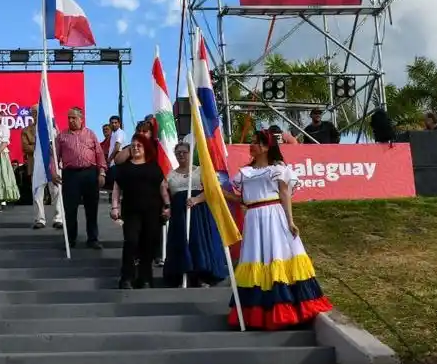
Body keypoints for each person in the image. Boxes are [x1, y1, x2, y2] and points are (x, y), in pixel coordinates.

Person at [224, 130, 333, 330]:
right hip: (254, 218)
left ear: (266, 147)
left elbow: (284, 194)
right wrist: (220, 192)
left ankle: (288, 310)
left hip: (274, 216)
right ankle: (256, 314)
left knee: (278, 256)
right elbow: (242, 199)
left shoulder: (278, 169)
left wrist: (290, 221)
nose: (251, 145)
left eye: (255, 142)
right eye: (251, 142)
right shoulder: (245, 173)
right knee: (256, 260)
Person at [163, 142, 230, 288]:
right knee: (181, 243)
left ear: (190, 153)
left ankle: (201, 276)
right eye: (178, 153)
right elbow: (166, 193)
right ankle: (183, 276)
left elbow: (211, 189)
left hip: (199, 213)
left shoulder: (200, 171)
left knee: (198, 242)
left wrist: (196, 199)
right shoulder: (170, 175)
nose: (181, 155)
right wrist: (167, 204)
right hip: (180, 214)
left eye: (184, 152)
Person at [109, 136, 169, 289]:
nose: (135, 148)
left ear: (145, 148)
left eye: (139, 145)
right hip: (131, 212)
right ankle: (126, 278)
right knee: (131, 242)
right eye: (133, 145)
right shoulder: (124, 168)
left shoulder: (154, 167)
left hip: (152, 212)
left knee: (148, 244)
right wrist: (115, 207)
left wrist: (167, 205)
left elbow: (163, 188)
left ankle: (145, 278)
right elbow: (116, 189)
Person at [52, 107, 107, 249]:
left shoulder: (90, 134)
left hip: (90, 174)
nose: (71, 120)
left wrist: (102, 172)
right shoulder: (62, 136)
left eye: (74, 118)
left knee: (91, 208)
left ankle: (93, 239)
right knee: (70, 209)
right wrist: (53, 172)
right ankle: (70, 239)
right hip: (71, 175)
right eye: (69, 118)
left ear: (81, 119)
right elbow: (54, 156)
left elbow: (99, 154)